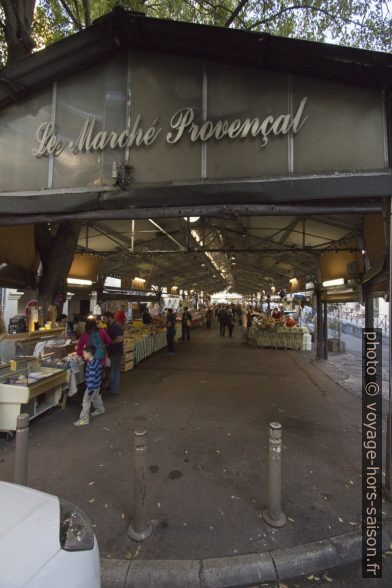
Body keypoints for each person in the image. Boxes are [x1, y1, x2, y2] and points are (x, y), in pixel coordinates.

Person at [73, 345, 105, 427]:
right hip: (97, 385)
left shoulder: (91, 365)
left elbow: (91, 378)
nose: (83, 355)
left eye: (84, 353)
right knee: (96, 397)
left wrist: (89, 390)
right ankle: (100, 409)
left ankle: (84, 419)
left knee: (86, 401)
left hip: (92, 387)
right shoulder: (96, 361)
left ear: (89, 353)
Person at [102, 311, 124, 395]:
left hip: (116, 352)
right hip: (111, 351)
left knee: (115, 370)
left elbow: (120, 339)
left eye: (104, 318)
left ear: (109, 317)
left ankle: (113, 390)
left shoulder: (117, 326)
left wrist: (108, 342)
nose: (103, 320)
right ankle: (111, 386)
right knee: (112, 370)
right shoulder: (110, 326)